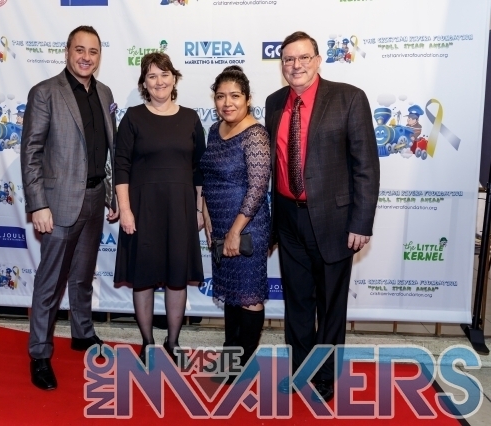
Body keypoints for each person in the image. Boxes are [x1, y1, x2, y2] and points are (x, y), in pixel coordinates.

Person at [265, 31, 379, 402]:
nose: (295, 65)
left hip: (334, 221)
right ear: (282, 65)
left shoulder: (349, 98)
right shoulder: (274, 102)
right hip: (288, 219)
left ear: (317, 60)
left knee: (330, 305)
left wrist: (361, 222)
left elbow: (366, 166)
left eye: (303, 57)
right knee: (298, 302)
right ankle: (300, 371)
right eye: (288, 59)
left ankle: (326, 375)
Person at [21, 25, 118, 391]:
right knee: (50, 282)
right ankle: (39, 353)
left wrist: (111, 195)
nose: (86, 57)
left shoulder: (104, 93)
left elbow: (107, 150)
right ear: (66, 52)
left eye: (93, 51)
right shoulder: (45, 92)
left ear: (99, 56)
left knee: (82, 275)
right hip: (58, 203)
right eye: (80, 49)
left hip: (95, 197)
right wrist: (38, 204)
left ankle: (82, 332)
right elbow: (31, 153)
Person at [114, 52, 205, 364]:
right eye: (152, 76)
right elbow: (121, 166)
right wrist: (125, 210)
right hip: (142, 209)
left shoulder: (191, 118)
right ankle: (148, 342)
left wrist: (199, 210)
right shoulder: (133, 118)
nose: (159, 81)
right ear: (144, 83)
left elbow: (200, 169)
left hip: (180, 209)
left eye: (164, 74)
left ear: (174, 79)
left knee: (177, 277)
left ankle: (173, 342)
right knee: (143, 277)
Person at [200, 66, 271, 374]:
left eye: (235, 96)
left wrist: (234, 232)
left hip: (247, 228)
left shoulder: (255, 135)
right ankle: (231, 356)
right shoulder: (215, 130)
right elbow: (208, 177)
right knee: (231, 294)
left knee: (248, 295)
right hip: (219, 225)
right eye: (220, 96)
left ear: (248, 99)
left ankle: (241, 362)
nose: (227, 103)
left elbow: (257, 188)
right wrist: (206, 215)